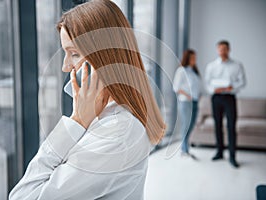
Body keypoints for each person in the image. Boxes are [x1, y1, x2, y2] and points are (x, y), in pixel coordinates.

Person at [9, 0, 166, 199]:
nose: (66, 67)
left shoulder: (117, 133)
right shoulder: (104, 117)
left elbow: (23, 196)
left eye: (74, 54)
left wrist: (76, 121)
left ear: (105, 59)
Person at [205, 40, 246, 168]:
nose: (222, 51)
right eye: (220, 49)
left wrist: (231, 87)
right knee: (217, 125)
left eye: (225, 49)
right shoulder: (211, 66)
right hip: (216, 98)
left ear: (229, 49)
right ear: (217, 50)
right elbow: (207, 83)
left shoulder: (237, 65)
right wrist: (214, 89)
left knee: (231, 126)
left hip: (229, 98)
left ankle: (232, 156)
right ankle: (220, 152)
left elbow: (243, 82)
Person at [173, 49, 201, 159]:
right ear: (187, 58)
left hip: (195, 101)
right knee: (186, 125)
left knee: (192, 124)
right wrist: (188, 95)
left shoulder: (193, 71)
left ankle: (186, 147)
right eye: (192, 57)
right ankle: (184, 150)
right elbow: (176, 87)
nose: (194, 60)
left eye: (195, 57)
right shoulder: (181, 70)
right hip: (186, 101)